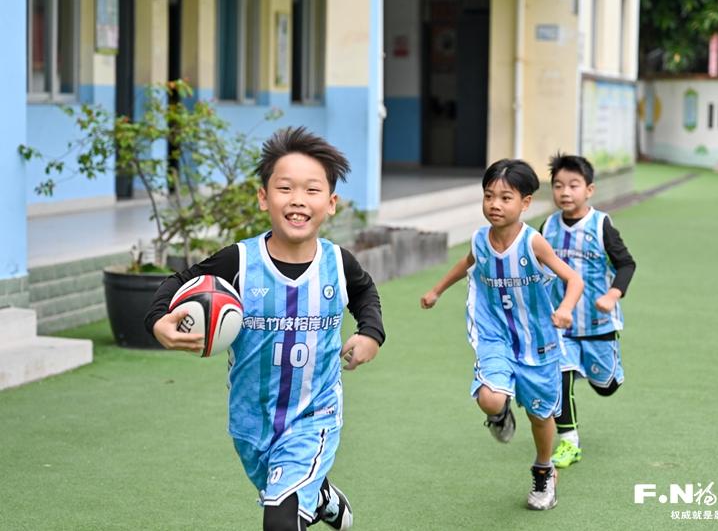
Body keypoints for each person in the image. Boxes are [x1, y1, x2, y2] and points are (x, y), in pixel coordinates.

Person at [145, 127, 385, 531]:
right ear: (263, 198)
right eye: (285, 188)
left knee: (280, 520)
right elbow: (179, 281)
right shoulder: (238, 261)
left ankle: (307, 493)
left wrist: (370, 334)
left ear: (331, 203)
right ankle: (322, 496)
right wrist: (158, 323)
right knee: (278, 491)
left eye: (312, 190)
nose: (297, 200)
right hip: (249, 419)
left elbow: (365, 294)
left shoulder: (338, 263)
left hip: (315, 414)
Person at [420, 159, 583, 511]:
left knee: (541, 417)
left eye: (505, 197)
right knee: (490, 398)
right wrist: (436, 290)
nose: (494, 204)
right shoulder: (480, 239)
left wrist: (566, 308)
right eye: (489, 195)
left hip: (539, 343)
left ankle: (544, 469)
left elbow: (574, 279)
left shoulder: (534, 243)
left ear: (525, 203)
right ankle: (499, 413)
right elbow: (466, 263)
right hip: (495, 336)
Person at [540, 153, 636, 469]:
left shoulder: (601, 224)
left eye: (573, 185)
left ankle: (604, 372)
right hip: (561, 323)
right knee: (561, 378)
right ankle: (569, 441)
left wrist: (612, 294)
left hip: (598, 323)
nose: (565, 192)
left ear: (589, 190)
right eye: (558, 186)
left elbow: (626, 263)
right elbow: (538, 269)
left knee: (606, 387)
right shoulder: (547, 227)